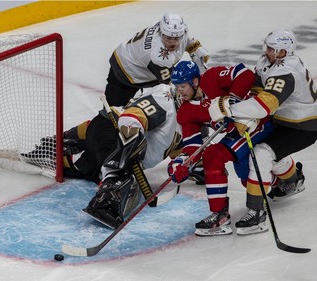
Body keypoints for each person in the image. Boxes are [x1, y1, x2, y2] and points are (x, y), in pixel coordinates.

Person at [22, 83, 182, 229]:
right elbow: (132, 118)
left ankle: (59, 150)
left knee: (83, 167)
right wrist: (122, 161)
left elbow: (182, 153)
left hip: (104, 143)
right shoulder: (164, 99)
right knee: (124, 178)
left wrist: (190, 166)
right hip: (112, 133)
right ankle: (107, 198)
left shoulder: (185, 122)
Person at [208, 29, 317, 235]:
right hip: (284, 119)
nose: (267, 51)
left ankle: (256, 213)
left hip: (303, 126)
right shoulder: (267, 62)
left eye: (272, 49)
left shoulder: (286, 72)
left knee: (261, 155)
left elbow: (264, 106)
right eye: (267, 47)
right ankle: (293, 179)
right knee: (267, 154)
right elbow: (258, 91)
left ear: (284, 52)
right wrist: (239, 107)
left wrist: (229, 110)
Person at [167, 60, 274, 236]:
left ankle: (258, 210)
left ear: (195, 82)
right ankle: (220, 215)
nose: (179, 91)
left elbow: (244, 74)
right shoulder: (186, 111)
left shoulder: (212, 77)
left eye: (182, 86)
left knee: (240, 162)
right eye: (176, 87)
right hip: (236, 135)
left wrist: (232, 101)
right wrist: (182, 162)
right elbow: (193, 145)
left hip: (254, 123)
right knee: (215, 157)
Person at [104, 12, 209, 106]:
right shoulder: (159, 56)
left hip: (142, 64)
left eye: (176, 38)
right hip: (124, 69)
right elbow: (172, 86)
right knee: (113, 112)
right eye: (168, 38)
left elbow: (187, 40)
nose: (172, 42)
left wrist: (196, 48)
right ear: (161, 33)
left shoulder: (173, 31)